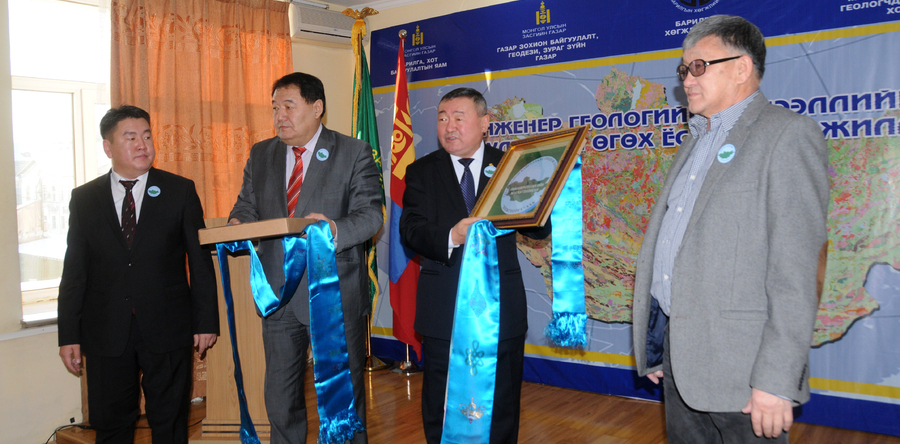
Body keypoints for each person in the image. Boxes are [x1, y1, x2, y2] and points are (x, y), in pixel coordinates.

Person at [632, 15, 829, 443]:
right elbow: (676, 250)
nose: (687, 79)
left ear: (742, 68)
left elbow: (797, 274)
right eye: (684, 69)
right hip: (681, 358)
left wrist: (776, 380)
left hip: (744, 373)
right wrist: (660, 344)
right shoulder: (694, 141)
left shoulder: (787, 135)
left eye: (699, 66)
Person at [228, 72, 382, 444]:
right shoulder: (261, 153)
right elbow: (247, 205)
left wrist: (332, 230)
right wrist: (236, 225)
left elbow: (370, 216)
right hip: (278, 294)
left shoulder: (353, 152)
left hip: (333, 294)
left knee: (343, 399)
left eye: (289, 106)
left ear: (317, 108)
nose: (279, 116)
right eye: (274, 108)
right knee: (280, 398)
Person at [57, 105, 219, 443]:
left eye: (146, 136)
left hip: (168, 325)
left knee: (170, 420)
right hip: (106, 330)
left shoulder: (179, 190)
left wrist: (205, 321)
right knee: (111, 423)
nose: (143, 144)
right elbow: (74, 271)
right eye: (131, 138)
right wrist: (68, 334)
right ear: (108, 147)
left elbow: (199, 260)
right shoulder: (85, 199)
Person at [399, 87, 550, 443]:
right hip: (444, 309)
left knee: (502, 403)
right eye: (442, 118)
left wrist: (543, 196)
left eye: (458, 117)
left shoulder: (513, 165)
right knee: (442, 403)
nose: (448, 126)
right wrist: (452, 235)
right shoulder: (421, 172)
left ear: (484, 123)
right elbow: (411, 231)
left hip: (500, 309)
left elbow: (540, 229)